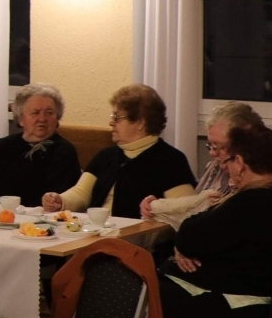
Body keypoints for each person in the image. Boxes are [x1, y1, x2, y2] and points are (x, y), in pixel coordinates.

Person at [159, 125, 272, 318]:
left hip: (232, 310)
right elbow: (199, 232)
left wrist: (183, 244)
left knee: (136, 294)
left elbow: (191, 232)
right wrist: (184, 244)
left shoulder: (251, 204)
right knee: (147, 284)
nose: (227, 166)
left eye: (230, 159)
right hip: (237, 300)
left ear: (241, 162)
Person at [43, 84, 197, 219]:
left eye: (117, 117)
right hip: (94, 234)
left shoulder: (171, 161)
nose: (111, 122)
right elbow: (82, 193)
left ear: (139, 123)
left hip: (139, 244)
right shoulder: (106, 156)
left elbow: (182, 211)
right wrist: (60, 200)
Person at [143, 101, 264, 226]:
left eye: (218, 146)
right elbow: (195, 208)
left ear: (243, 144)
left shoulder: (262, 177)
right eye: (210, 145)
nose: (212, 153)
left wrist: (162, 208)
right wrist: (157, 208)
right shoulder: (215, 167)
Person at [0, 84, 82, 202]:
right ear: (21, 118)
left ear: (57, 118)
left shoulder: (63, 151)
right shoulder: (0, 146)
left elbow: (58, 199)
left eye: (49, 113)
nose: (42, 118)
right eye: (35, 112)